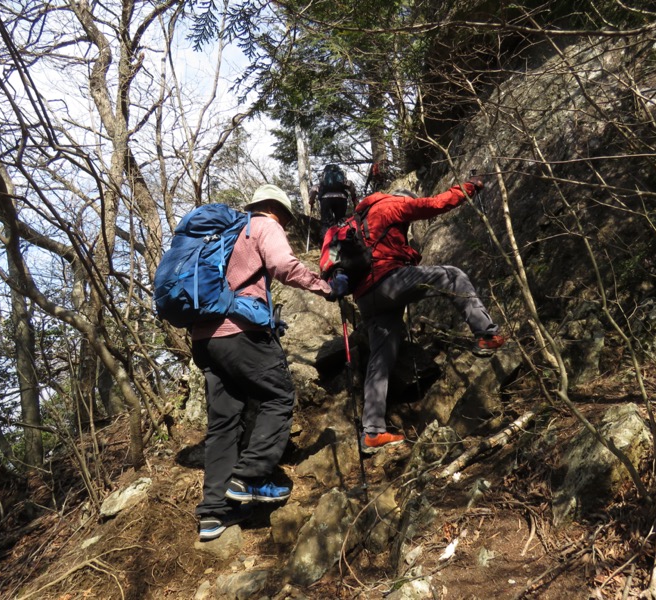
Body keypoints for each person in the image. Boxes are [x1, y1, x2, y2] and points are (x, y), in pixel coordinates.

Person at [191, 184, 348, 541]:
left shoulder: (221, 234)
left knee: (224, 422)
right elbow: (282, 265)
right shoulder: (263, 224)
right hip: (240, 333)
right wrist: (327, 288)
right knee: (278, 396)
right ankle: (249, 477)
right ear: (278, 211)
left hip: (205, 339)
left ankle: (214, 514)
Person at [349, 178, 505, 454]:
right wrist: (467, 189)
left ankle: (373, 431)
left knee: (380, 359)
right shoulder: (393, 204)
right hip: (388, 282)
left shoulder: (357, 220)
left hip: (365, 298)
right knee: (452, 276)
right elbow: (434, 205)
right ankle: (487, 335)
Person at [309, 164, 358, 244]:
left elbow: (313, 190)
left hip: (326, 199)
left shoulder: (323, 181)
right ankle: (342, 241)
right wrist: (354, 200)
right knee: (341, 220)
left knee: (326, 223)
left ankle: (326, 243)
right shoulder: (341, 180)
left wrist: (311, 202)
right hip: (341, 199)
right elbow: (351, 186)